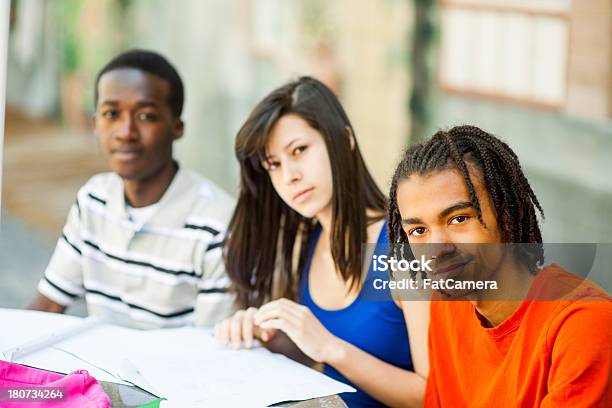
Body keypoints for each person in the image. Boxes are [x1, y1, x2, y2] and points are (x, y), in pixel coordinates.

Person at [215, 77, 429, 407]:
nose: (289, 176)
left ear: (343, 140)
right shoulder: (308, 241)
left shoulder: (404, 249)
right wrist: (268, 335)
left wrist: (330, 348)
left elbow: (434, 396)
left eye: (299, 150)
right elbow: (319, 359)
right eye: (274, 165)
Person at [387, 125, 611, 407]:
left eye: (458, 219)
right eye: (419, 231)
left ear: (507, 216)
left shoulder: (582, 323)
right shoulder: (447, 303)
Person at [28, 50, 236, 329]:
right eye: (111, 114)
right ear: (95, 124)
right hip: (99, 371)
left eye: (146, 116)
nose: (125, 131)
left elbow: (213, 349)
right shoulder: (93, 200)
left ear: (177, 127)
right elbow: (48, 304)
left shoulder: (217, 222)